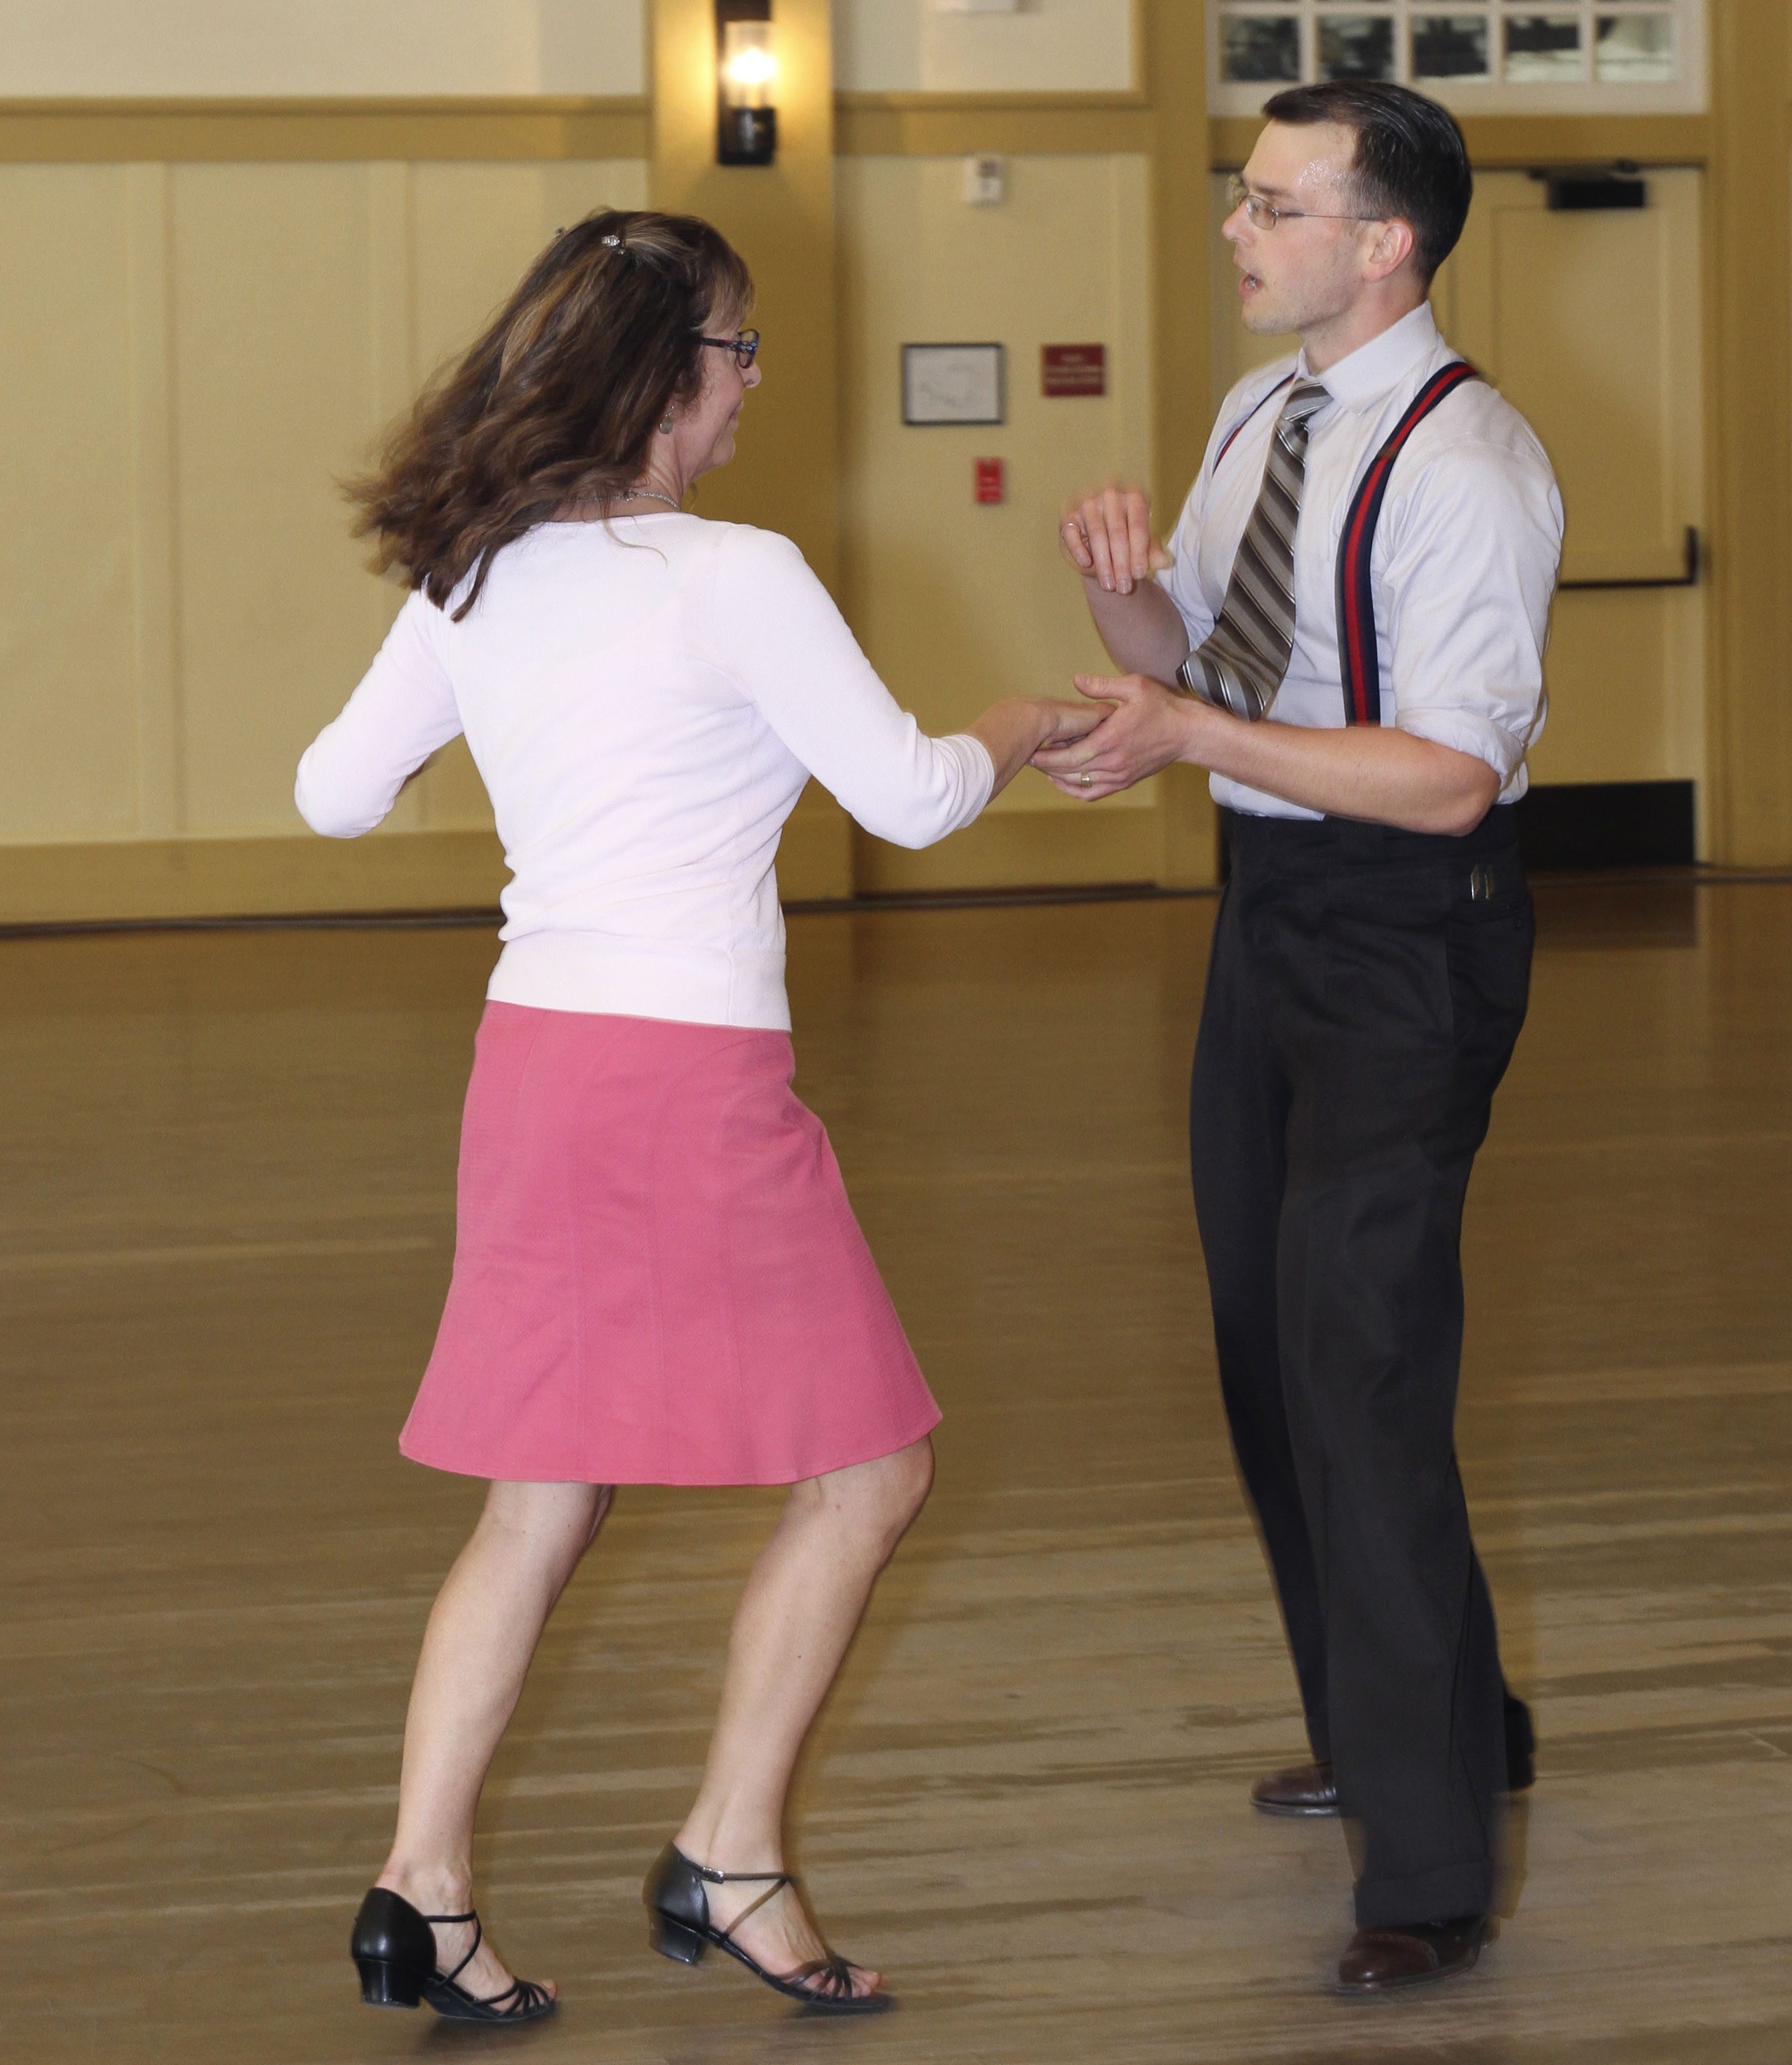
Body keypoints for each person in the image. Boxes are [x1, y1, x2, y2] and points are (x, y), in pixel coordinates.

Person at [296, 208, 1098, 2022]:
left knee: (535, 1504)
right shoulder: (732, 574)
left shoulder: (477, 574)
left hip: (534, 1069)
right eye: (739, 352)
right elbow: (911, 800)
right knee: (872, 1470)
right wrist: (1018, 722)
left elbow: (333, 795)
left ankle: (421, 1887)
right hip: (688, 1079)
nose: (749, 388)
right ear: (669, 378)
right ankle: (730, 1850)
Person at [1039, 82, 1561, 1992]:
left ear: (1384, 244)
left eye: (1274, 206)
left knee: (1362, 1364)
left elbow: (1446, 775)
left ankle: (1423, 1869)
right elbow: (1197, 665)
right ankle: (1419, 1720)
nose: (1236, 231)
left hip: (1408, 933)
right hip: (1268, 908)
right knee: (1271, 1348)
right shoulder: (1264, 411)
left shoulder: (1468, 467)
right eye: (1241, 199)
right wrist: (1123, 601)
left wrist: (1194, 735)